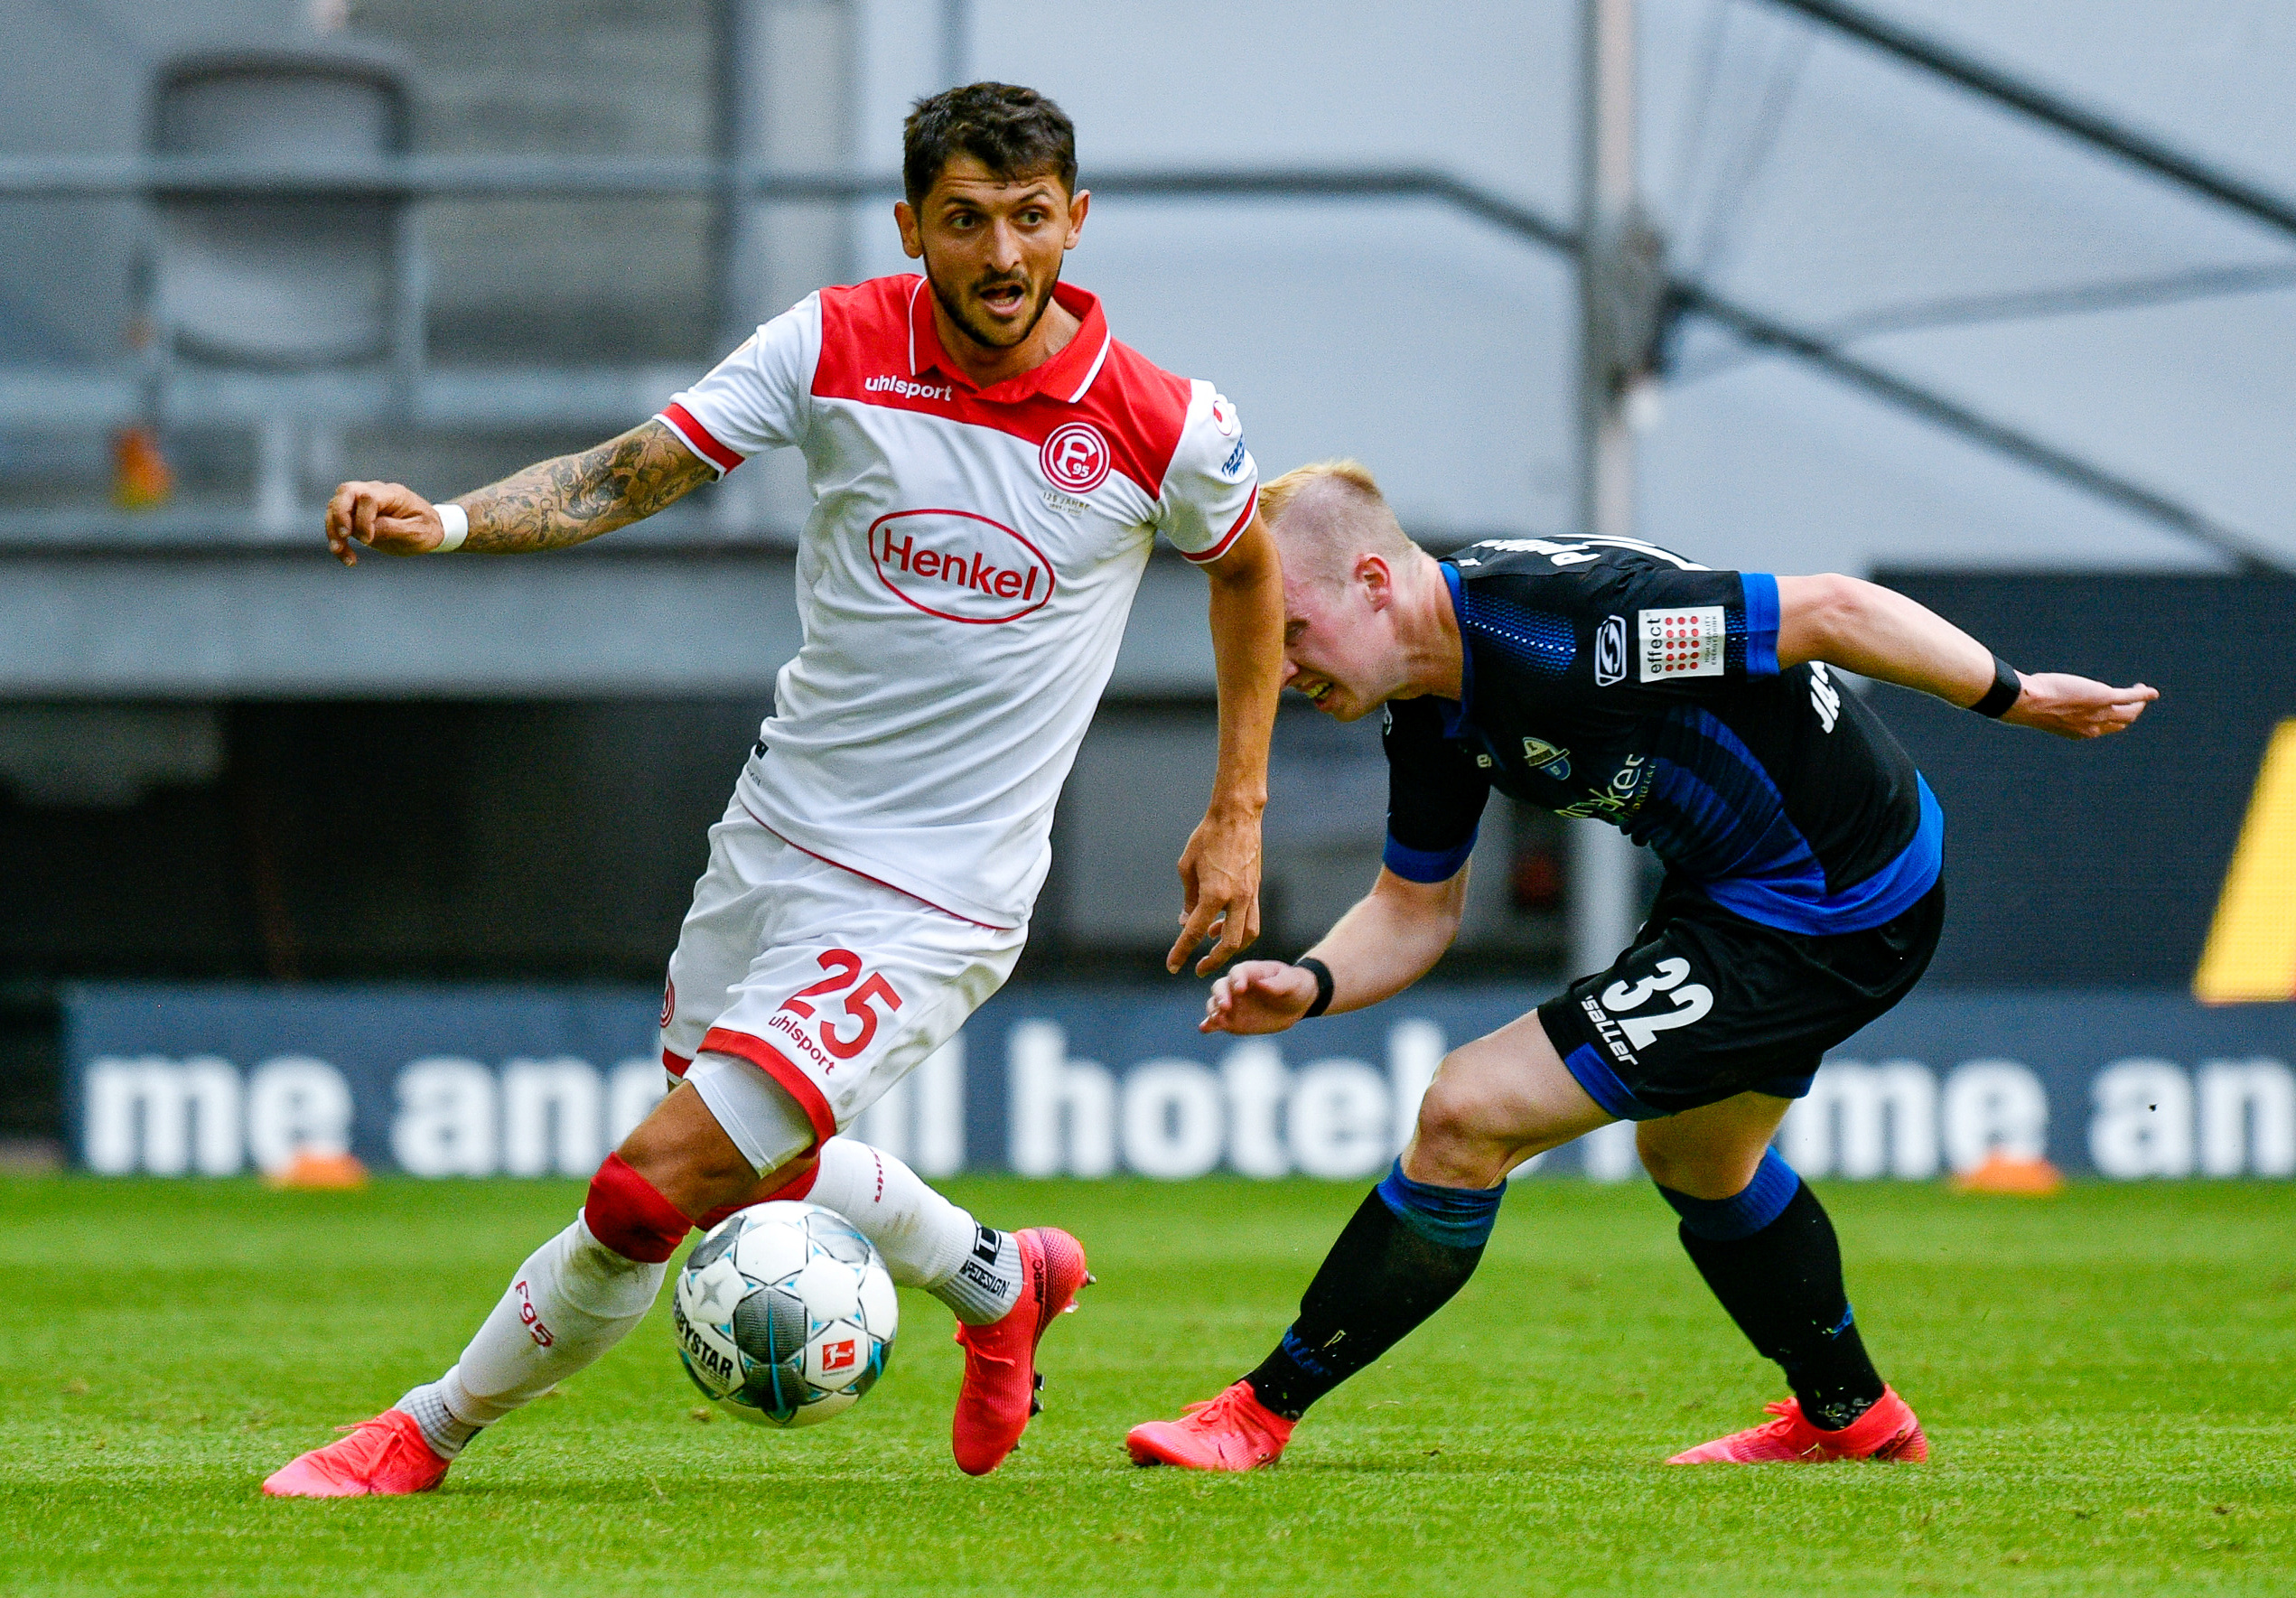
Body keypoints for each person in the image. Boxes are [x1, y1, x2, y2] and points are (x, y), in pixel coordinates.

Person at [265, 83, 1283, 1497]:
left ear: (1076, 220)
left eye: (1031, 219)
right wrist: (444, 521)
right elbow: (629, 472)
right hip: (778, 837)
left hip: (937, 897)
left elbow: (1246, 566)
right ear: (911, 225)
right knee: (744, 1167)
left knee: (643, 1191)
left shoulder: (1160, 422)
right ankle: (1000, 1280)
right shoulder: (835, 342)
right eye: (968, 220)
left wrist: (1235, 809)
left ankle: (421, 1433)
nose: (1003, 255)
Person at [1125, 460, 2155, 1472]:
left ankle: (1258, 1411)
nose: (1282, 666)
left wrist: (2015, 696)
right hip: (1747, 890)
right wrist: (1310, 981)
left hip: (1833, 902)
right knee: (1700, 1162)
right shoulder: (1427, 700)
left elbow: (1834, 610)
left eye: (1290, 631)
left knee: (1465, 1111)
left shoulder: (1570, 628)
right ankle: (1852, 1415)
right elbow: (1413, 911)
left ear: (1373, 583)